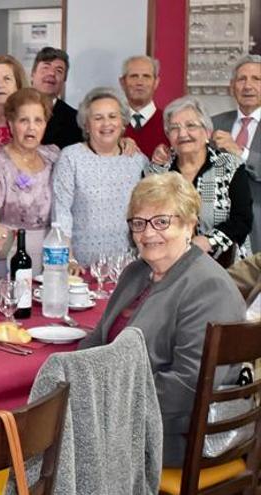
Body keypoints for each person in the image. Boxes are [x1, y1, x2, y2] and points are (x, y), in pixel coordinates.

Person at [79, 172, 245, 466]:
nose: (148, 233)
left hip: (171, 435)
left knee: (55, 445)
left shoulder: (208, 288)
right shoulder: (136, 272)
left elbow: (187, 386)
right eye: (139, 223)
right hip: (121, 415)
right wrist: (77, 375)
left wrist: (106, 401)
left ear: (189, 225)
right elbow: (99, 338)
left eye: (161, 222)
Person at [149, 96, 253, 265]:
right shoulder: (158, 173)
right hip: (170, 265)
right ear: (168, 136)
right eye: (174, 128)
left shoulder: (229, 166)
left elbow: (242, 220)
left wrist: (209, 241)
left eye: (191, 125)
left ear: (207, 132)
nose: (183, 134)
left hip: (226, 266)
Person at [0, 88, 60, 277]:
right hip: (9, 250)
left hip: (51, 253)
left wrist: (124, 143)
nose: (31, 128)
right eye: (23, 120)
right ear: (10, 123)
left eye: (38, 120)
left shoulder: (54, 156)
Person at [53, 87, 147, 268]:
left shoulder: (138, 160)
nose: (106, 124)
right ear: (86, 125)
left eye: (113, 116)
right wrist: (68, 259)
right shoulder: (71, 157)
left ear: (123, 122)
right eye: (98, 118)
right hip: (80, 266)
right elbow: (61, 212)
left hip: (129, 266)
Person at [211, 55, 260, 253]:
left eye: (256, 79)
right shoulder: (213, 124)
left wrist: (241, 152)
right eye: (242, 79)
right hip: (219, 231)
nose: (248, 86)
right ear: (232, 87)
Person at [30, 47, 82, 149]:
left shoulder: (75, 120)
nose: (51, 73)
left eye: (59, 70)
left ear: (64, 80)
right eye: (46, 67)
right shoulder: (14, 109)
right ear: (32, 74)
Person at [120, 55, 168, 158]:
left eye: (146, 76)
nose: (140, 83)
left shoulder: (170, 122)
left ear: (156, 82)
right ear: (122, 82)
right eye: (134, 76)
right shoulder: (110, 125)